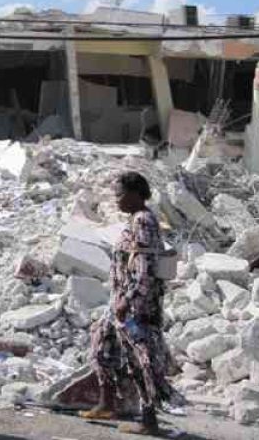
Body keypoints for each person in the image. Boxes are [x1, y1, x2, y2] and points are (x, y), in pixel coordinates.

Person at [79, 171, 180, 435]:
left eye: (120, 194)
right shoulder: (135, 219)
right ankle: (107, 402)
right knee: (100, 342)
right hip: (120, 302)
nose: (116, 200)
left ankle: (149, 420)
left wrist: (129, 298)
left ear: (136, 194)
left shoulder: (144, 221)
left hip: (137, 306)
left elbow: (145, 269)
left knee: (141, 360)